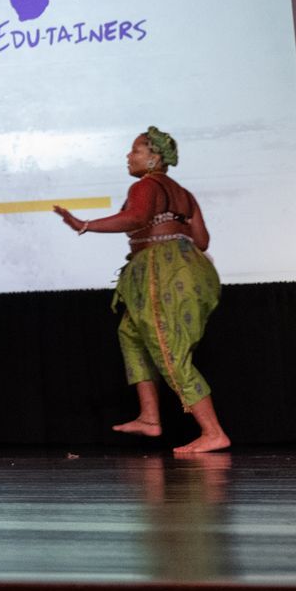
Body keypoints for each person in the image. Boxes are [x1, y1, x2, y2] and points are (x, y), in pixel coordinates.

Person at [55, 127, 228, 454]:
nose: (128, 156)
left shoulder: (146, 184)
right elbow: (202, 240)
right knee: (131, 334)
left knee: (167, 346)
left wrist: (85, 225)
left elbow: (135, 217)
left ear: (154, 157)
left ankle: (213, 431)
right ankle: (150, 416)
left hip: (161, 268)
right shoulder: (183, 194)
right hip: (186, 265)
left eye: (135, 150)